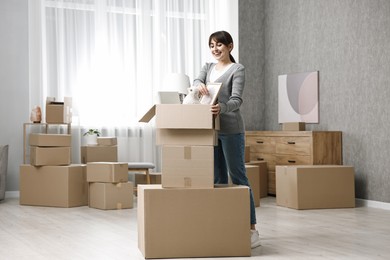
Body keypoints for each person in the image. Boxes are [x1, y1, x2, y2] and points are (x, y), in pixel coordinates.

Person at [193, 30, 261, 249]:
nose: (215, 49)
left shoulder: (237, 69)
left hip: (231, 130)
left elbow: (236, 100)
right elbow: (196, 81)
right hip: (210, 130)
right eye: (212, 45)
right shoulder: (207, 67)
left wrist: (221, 107)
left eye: (219, 45)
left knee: (238, 177)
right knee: (217, 179)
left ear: (230, 46)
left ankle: (252, 230)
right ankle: (222, 225)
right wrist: (198, 86)